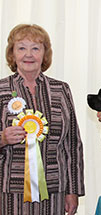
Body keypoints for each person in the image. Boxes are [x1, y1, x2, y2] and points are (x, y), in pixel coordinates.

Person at [0, 24, 85, 215]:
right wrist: (3, 138)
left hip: (55, 190)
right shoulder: (1, 89)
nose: (28, 54)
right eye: (21, 48)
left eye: (35, 48)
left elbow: (72, 145)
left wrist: (73, 191)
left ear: (44, 54)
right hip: (9, 191)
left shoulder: (61, 90)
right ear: (12, 54)